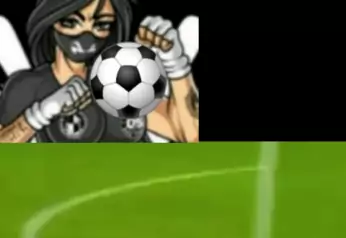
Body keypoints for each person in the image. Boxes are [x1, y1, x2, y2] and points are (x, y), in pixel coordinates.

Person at [0, 0, 198, 143]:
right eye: (71, 22)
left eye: (101, 24)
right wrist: (39, 114)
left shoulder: (122, 78)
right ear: (51, 20)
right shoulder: (28, 86)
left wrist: (176, 63)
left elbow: (191, 136)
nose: (86, 34)